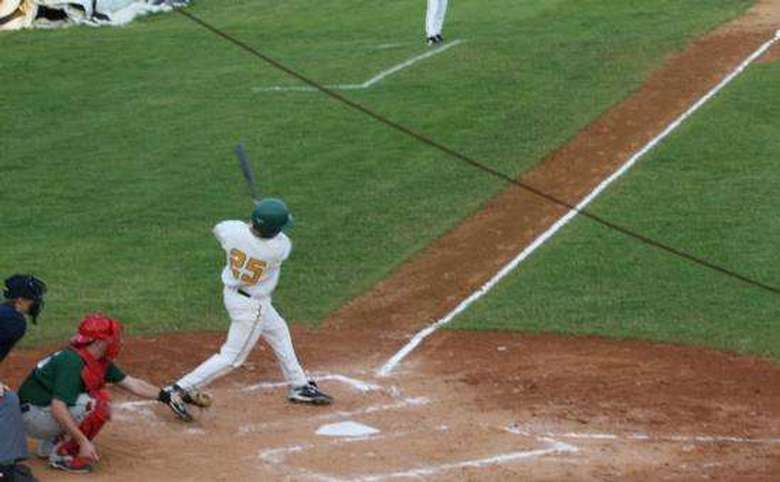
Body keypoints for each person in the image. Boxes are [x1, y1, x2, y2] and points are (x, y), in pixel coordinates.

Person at [165, 198, 332, 408]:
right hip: (252, 307)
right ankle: (178, 389)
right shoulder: (280, 248)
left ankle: (299, 385)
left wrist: (256, 218)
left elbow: (219, 228)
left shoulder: (232, 231)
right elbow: (276, 233)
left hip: (233, 294)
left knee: (278, 331)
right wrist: (262, 218)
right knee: (232, 357)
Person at [17, 314, 196, 474]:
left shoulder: (93, 358)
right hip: (33, 417)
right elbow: (58, 407)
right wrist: (83, 441)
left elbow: (131, 383)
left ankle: (51, 444)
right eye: (112, 338)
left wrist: (165, 396)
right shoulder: (72, 362)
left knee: (84, 400)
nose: (116, 341)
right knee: (97, 404)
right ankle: (63, 455)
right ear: (98, 342)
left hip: (38, 410)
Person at [0, 274, 46, 482]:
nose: (36, 303)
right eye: (33, 298)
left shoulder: (6, 314)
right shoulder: (13, 321)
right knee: (7, 402)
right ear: (20, 300)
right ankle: (5, 470)